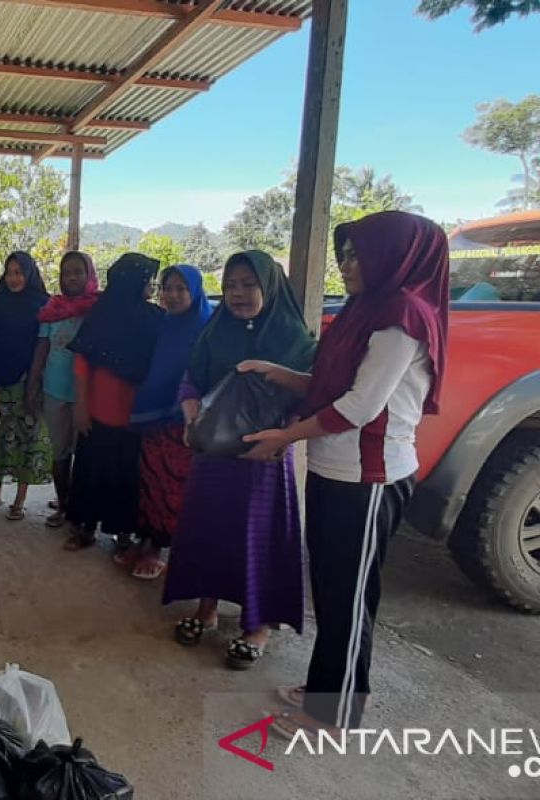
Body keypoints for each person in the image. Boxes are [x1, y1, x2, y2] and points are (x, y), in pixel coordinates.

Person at [238, 212, 448, 736]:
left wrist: (286, 437)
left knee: (350, 594)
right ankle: (338, 685)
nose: (346, 264)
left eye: (356, 255)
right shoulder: (365, 310)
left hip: (369, 476)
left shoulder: (403, 316)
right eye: (344, 254)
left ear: (393, 255)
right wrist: (277, 372)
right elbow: (331, 385)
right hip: (336, 468)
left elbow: (360, 406)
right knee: (332, 588)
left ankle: (336, 712)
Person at [163, 250, 316, 669]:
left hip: (262, 458)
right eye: (230, 285)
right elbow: (192, 378)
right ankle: (206, 610)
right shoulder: (216, 331)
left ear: (269, 285)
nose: (238, 294)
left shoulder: (293, 338)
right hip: (214, 452)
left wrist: (285, 437)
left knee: (256, 536)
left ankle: (257, 625)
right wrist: (191, 414)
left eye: (249, 284)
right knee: (211, 530)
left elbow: (310, 394)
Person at [117, 265, 214, 579]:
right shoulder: (163, 325)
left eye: (180, 289)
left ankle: (165, 550)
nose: (171, 295)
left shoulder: (209, 326)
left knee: (177, 487)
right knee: (151, 481)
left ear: (195, 291)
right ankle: (148, 541)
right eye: (166, 288)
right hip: (154, 417)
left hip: (186, 422)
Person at [63, 253, 164, 550]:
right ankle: (85, 528)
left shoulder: (155, 318)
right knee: (91, 471)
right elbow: (82, 363)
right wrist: (80, 407)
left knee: (126, 475)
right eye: (148, 280)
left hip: (135, 414)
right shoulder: (101, 314)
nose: (151, 287)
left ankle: (123, 532)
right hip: (97, 411)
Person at [27, 251, 100, 529]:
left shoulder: (98, 308)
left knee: (86, 454)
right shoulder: (52, 309)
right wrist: (32, 385)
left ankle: (82, 510)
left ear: (89, 274)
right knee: (59, 452)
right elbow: (42, 348)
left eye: (77, 272)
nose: (71, 277)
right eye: (66, 272)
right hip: (55, 390)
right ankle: (63, 504)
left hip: (88, 395)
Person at [0, 251, 52, 520]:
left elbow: (46, 348)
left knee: (28, 442)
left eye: (19, 272)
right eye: (10, 272)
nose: (14, 278)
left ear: (30, 273)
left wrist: (36, 384)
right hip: (0, 385)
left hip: (29, 385)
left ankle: (19, 501)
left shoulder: (43, 305)